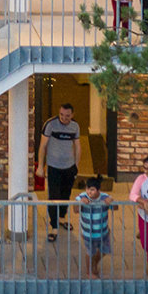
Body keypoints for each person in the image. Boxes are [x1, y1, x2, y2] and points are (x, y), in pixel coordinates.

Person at [36, 102, 82, 240]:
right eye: (61, 114)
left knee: (65, 195)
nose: (64, 118)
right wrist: (40, 167)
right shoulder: (50, 124)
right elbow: (42, 146)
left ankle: (62, 218)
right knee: (54, 196)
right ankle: (54, 226)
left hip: (69, 166)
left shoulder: (75, 126)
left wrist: (76, 165)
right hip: (54, 166)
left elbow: (78, 146)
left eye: (67, 116)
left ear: (72, 115)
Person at [76, 177, 115, 279]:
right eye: (87, 189)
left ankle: (94, 263)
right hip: (88, 233)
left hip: (103, 232)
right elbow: (75, 210)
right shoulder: (82, 196)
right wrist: (80, 203)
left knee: (105, 250)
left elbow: (116, 208)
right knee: (90, 252)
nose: (89, 192)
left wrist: (111, 201)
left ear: (98, 190)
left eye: (92, 189)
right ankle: (89, 272)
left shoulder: (105, 197)